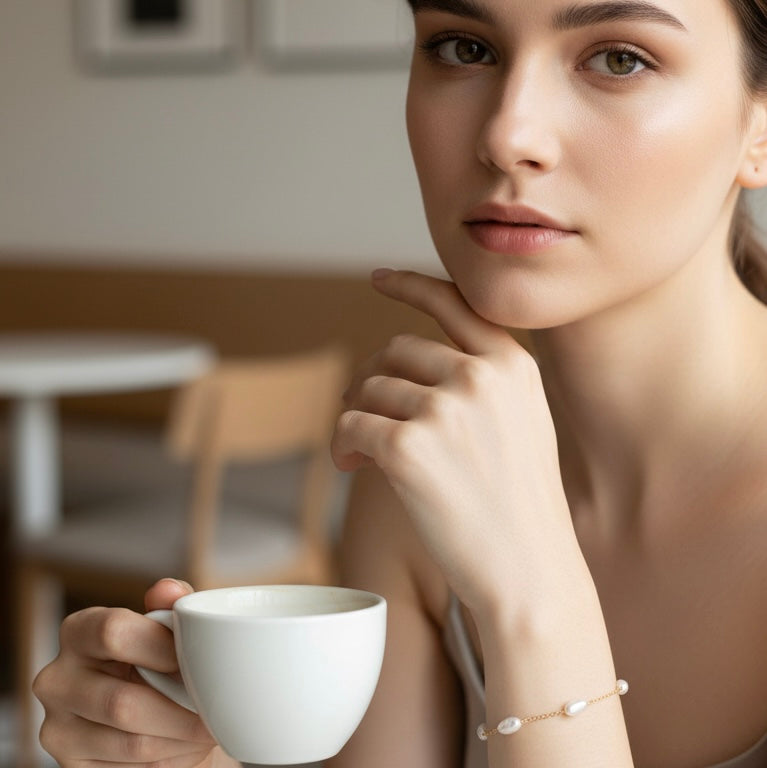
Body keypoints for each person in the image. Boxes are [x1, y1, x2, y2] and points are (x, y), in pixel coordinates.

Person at [32, 0, 767, 766]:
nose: (506, 135)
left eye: (619, 60)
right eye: (463, 48)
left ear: (758, 127)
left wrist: (533, 593)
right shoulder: (425, 466)